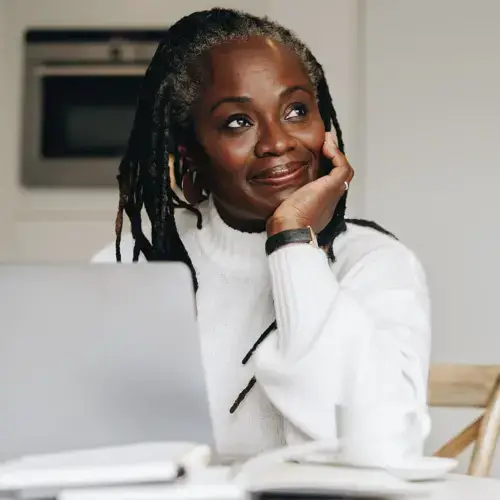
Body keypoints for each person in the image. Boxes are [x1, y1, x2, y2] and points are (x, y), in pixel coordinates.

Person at [93, 8, 431, 460]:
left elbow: (383, 446)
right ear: (189, 153)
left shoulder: (374, 264)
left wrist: (291, 242)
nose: (277, 141)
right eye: (238, 121)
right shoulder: (131, 265)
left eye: (295, 110)